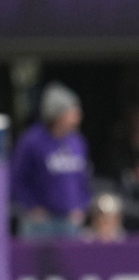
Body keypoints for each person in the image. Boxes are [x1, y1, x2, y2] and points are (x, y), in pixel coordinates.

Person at [10, 81, 92, 239]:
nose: (78, 117)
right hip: (40, 223)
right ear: (59, 114)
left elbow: (84, 177)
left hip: (70, 220)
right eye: (73, 112)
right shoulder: (32, 141)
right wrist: (31, 206)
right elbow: (17, 178)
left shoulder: (77, 142)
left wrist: (82, 205)